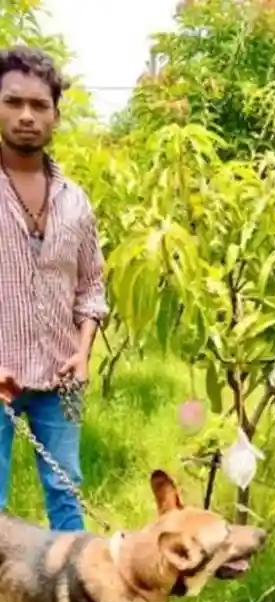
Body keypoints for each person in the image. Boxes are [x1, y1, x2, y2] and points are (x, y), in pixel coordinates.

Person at [0, 46, 108, 532]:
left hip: (61, 379)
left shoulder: (75, 201)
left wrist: (83, 353)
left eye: (39, 106)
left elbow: (91, 286)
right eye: (13, 102)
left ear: (56, 116)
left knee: (67, 492)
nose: (26, 116)